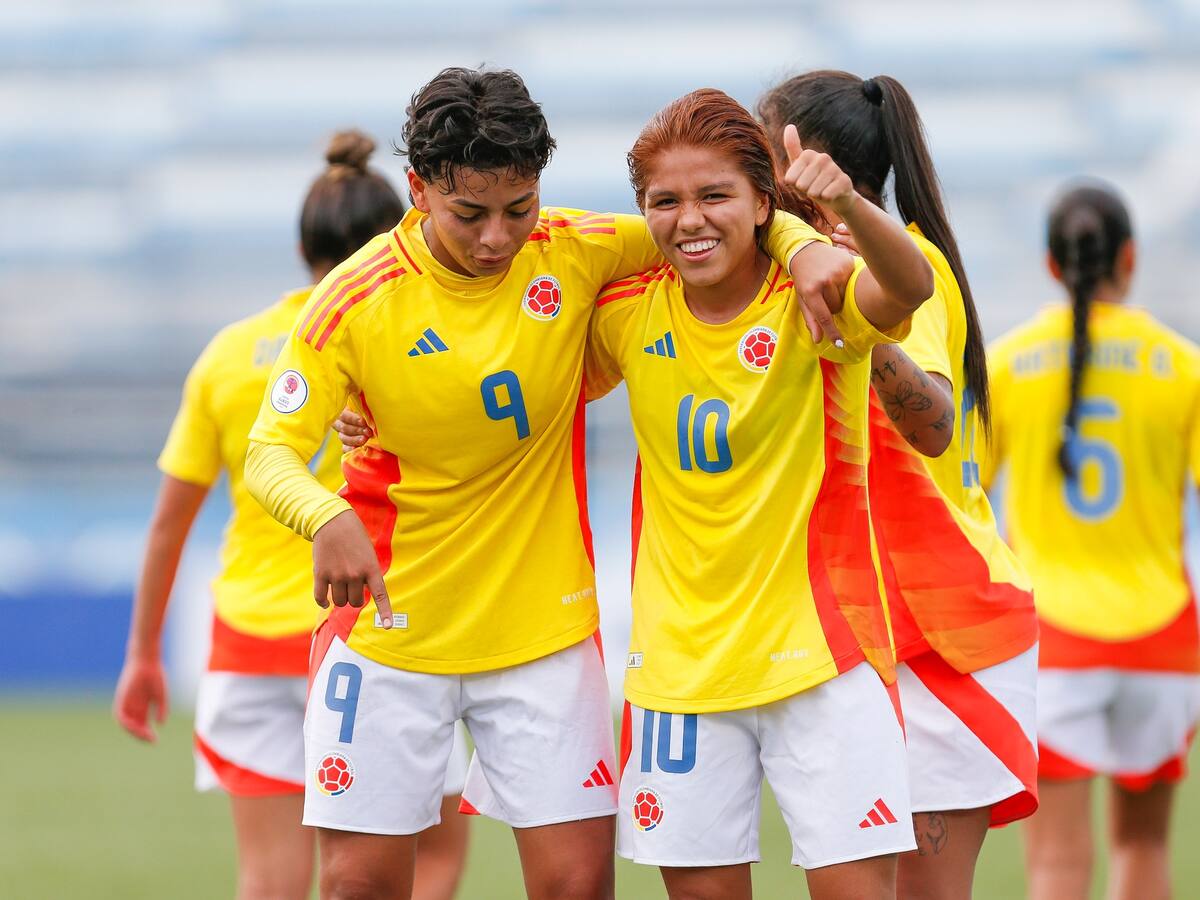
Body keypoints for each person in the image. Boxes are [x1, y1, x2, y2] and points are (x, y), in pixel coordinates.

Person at [243, 67, 845, 900]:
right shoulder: (355, 300)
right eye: (470, 213)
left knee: (575, 886)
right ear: (417, 190)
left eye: (518, 207)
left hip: (544, 638)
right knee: (358, 886)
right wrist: (323, 515)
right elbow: (268, 451)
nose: (498, 237)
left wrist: (803, 243)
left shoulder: (574, 246)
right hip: (387, 635)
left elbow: (712, 224)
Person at [567, 87, 934, 900]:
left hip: (827, 662)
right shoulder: (625, 311)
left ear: (764, 202)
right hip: (680, 674)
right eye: (665, 201)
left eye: (715, 196)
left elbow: (907, 288)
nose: (689, 220)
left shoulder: (817, 294)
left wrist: (834, 209)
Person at [113, 131, 469, 900]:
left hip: (248, 643)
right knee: (429, 860)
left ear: (303, 243)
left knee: (271, 880)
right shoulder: (407, 332)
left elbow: (169, 523)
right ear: (397, 235)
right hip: (377, 632)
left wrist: (143, 652)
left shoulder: (227, 354)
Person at [757, 70, 1040, 900]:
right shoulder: (797, 269)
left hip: (946, 630)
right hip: (871, 631)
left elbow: (935, 425)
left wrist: (862, 331)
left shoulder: (903, 269)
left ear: (803, 164)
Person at [986, 182, 1200, 900]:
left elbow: (965, 496)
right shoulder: (1183, 365)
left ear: (1052, 265)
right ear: (1130, 259)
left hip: (1054, 643)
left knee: (1055, 869)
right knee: (1143, 849)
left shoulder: (1009, 364)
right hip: (1164, 640)